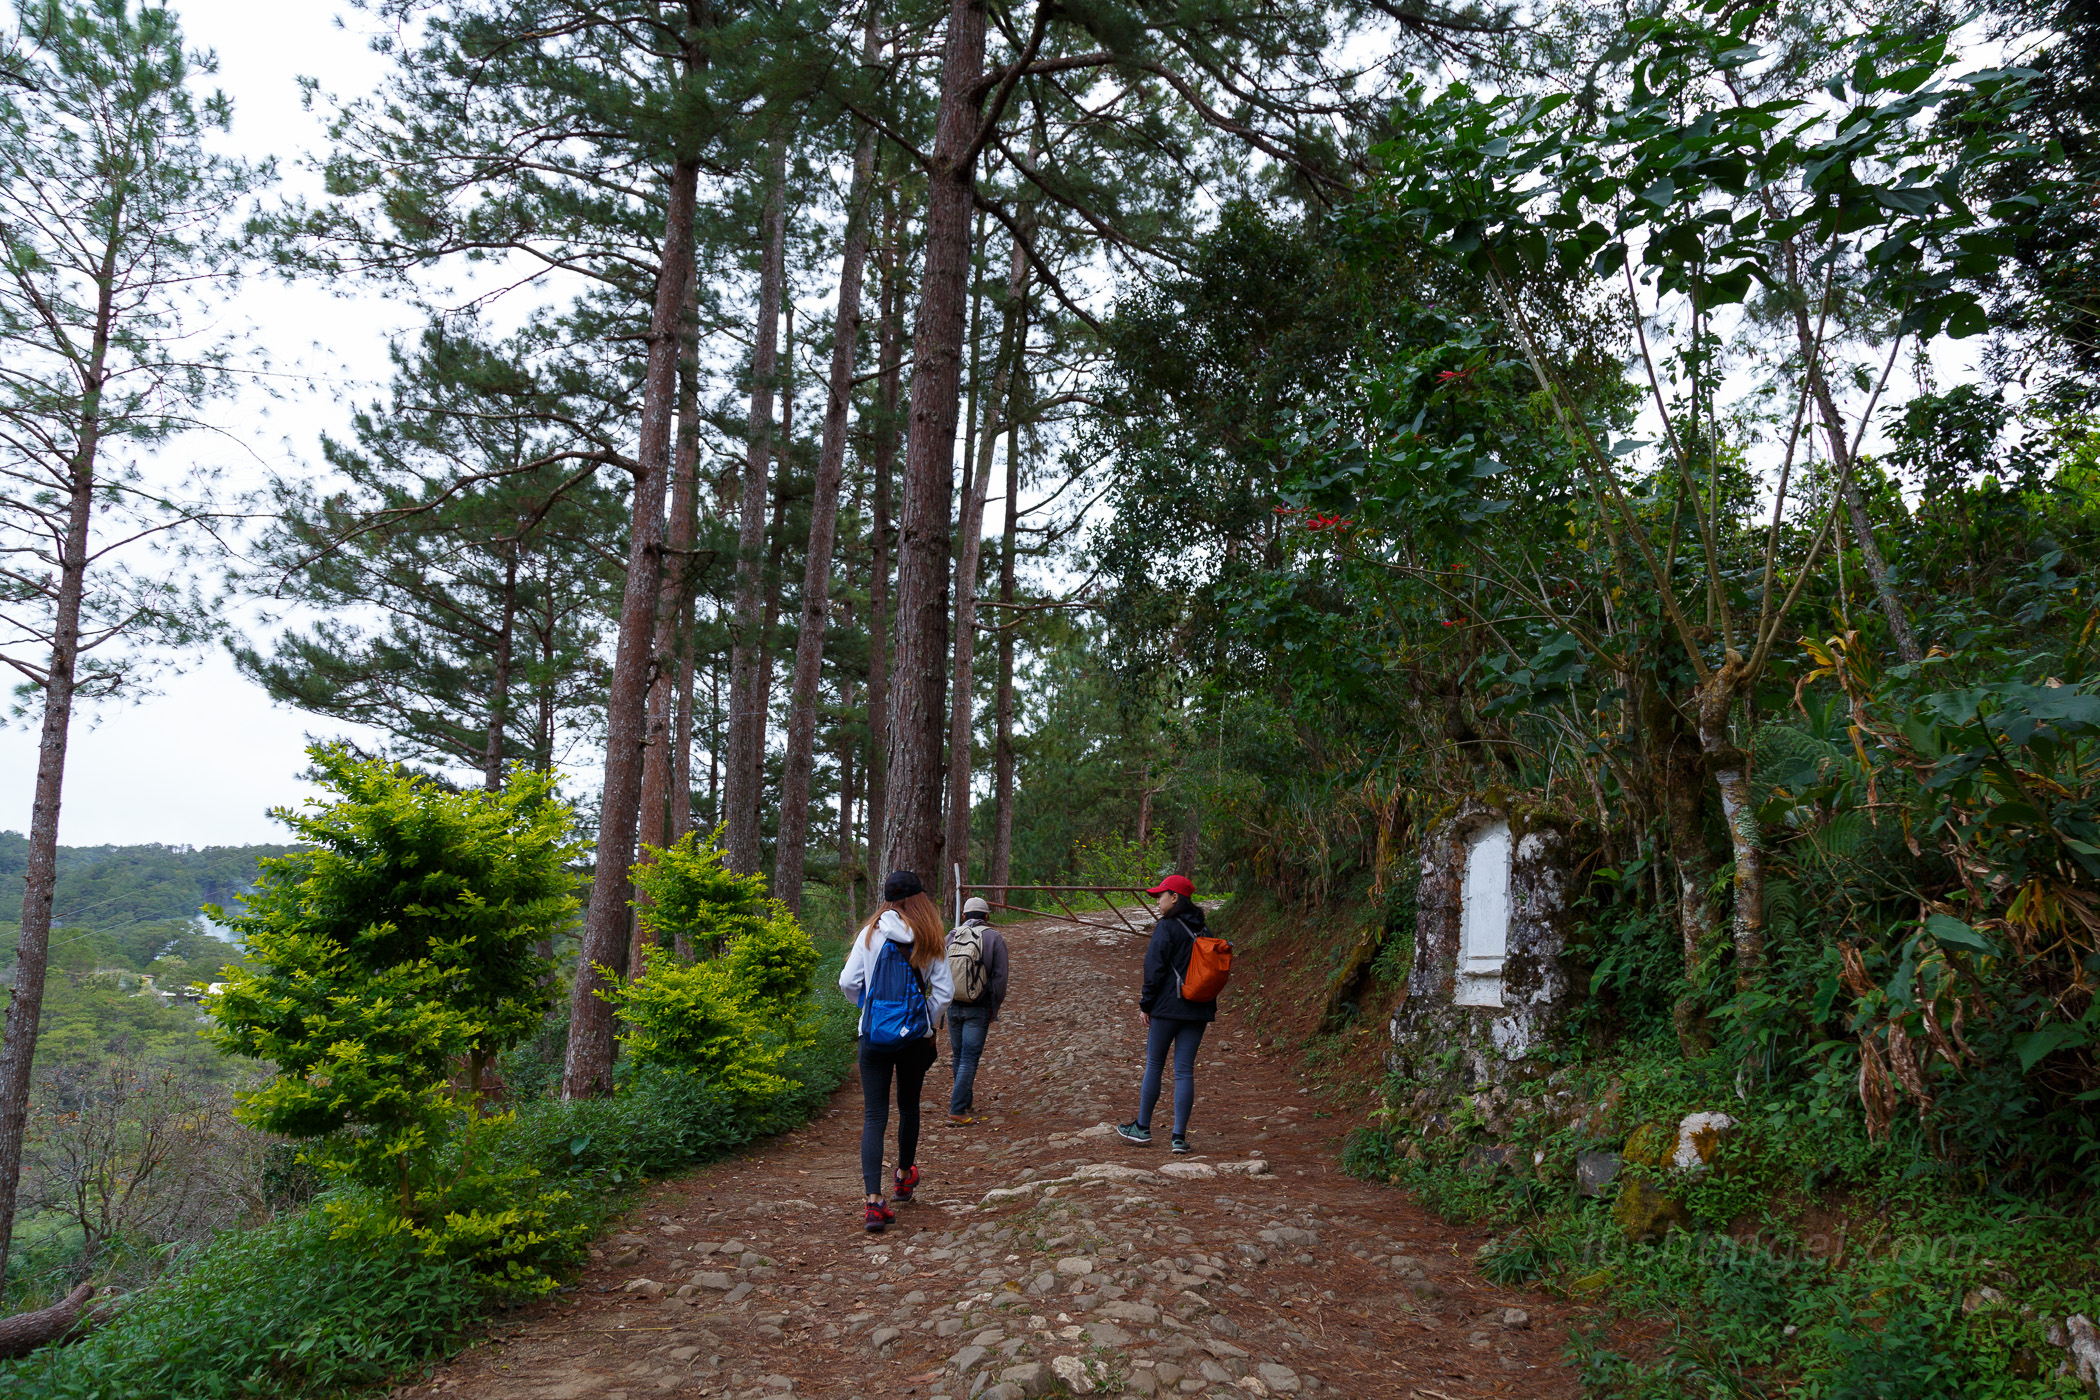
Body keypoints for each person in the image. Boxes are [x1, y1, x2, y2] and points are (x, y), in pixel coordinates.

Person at [839, 870, 953, 1232]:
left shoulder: (869, 934)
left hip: (873, 1037)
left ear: (888, 899)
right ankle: (904, 1177)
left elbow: (848, 982)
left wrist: (871, 1011)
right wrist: (923, 1021)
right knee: (908, 1106)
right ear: (919, 899)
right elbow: (944, 993)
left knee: (874, 1116)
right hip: (913, 1039)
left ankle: (873, 1203)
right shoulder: (929, 936)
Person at [1117, 874, 1214, 1155]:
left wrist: (1146, 1005)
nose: (1157, 900)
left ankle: (1143, 1128)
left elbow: (1154, 968)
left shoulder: (1167, 927)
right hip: (1198, 1008)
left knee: (1155, 1064)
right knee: (1184, 1071)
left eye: (1162, 895)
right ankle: (1178, 1138)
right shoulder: (1204, 930)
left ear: (1175, 898)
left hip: (1167, 1008)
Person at [944, 895, 1010, 1124]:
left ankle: (964, 1101)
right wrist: (994, 1006)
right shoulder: (994, 938)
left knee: (959, 1056)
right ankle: (958, 1109)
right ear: (987, 916)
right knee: (969, 1059)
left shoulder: (952, 936)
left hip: (952, 1005)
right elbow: (999, 978)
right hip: (978, 1007)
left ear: (963, 916)